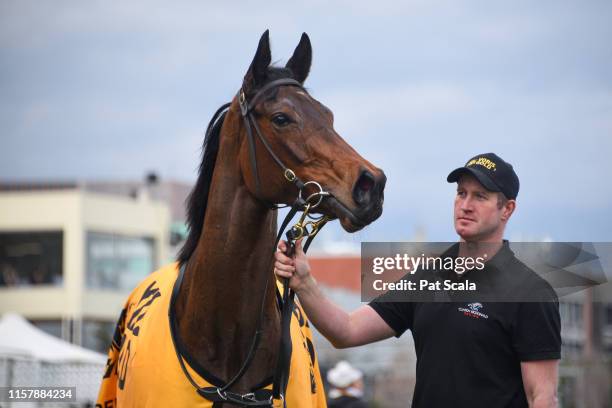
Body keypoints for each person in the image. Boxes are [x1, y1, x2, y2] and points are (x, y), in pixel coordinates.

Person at [275, 153, 561, 408]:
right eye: (461, 193)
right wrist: (304, 281)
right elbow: (347, 331)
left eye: (480, 196)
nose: (466, 204)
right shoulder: (427, 277)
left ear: (507, 209)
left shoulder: (530, 292)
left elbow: (542, 397)